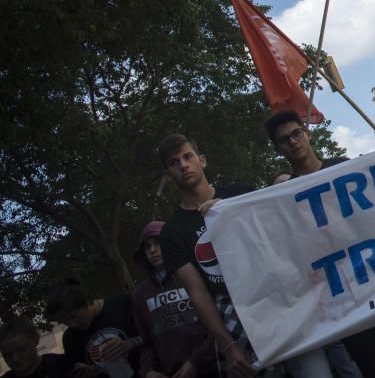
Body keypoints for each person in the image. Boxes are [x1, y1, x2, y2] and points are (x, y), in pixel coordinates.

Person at [262, 110, 365, 378]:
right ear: (279, 149)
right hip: (339, 299)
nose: (293, 141)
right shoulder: (283, 198)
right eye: (285, 140)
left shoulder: (342, 166)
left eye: (296, 133)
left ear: (307, 134)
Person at [155, 134, 266, 378]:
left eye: (187, 157)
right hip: (231, 314)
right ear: (168, 174)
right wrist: (228, 346)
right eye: (174, 162)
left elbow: (272, 238)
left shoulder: (241, 193)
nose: (183, 165)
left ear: (202, 160)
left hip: (272, 294)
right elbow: (199, 294)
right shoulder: (172, 234)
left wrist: (227, 212)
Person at [131, 221, 218, 378]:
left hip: (212, 368)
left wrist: (195, 363)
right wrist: (148, 372)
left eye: (158, 243)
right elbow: (146, 343)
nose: (152, 250)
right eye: (147, 246)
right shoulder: (140, 295)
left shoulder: (197, 276)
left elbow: (218, 327)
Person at [45, 279, 141, 377]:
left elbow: (154, 335)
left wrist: (131, 343)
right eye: (65, 322)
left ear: (86, 302)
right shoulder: (70, 339)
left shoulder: (123, 304)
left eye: (73, 317)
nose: (72, 325)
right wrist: (90, 371)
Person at [0, 318, 66, 378]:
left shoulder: (62, 365)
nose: (15, 358)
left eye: (21, 350)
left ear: (35, 340)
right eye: (7, 355)